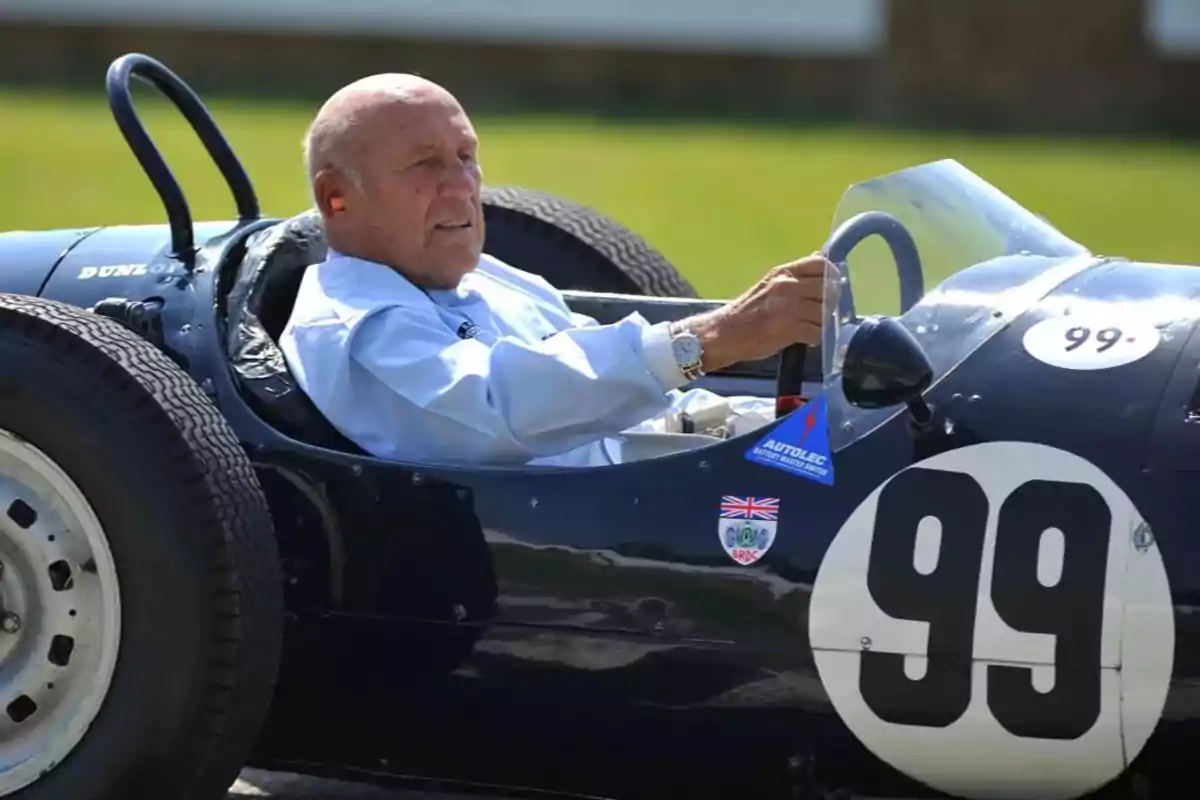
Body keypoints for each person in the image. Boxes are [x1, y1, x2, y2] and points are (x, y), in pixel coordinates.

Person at [279, 73, 838, 468]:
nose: (463, 185)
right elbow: (497, 406)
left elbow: (640, 407)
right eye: (425, 164)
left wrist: (765, 420)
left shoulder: (491, 280)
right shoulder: (353, 326)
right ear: (337, 198)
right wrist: (714, 338)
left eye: (466, 157)